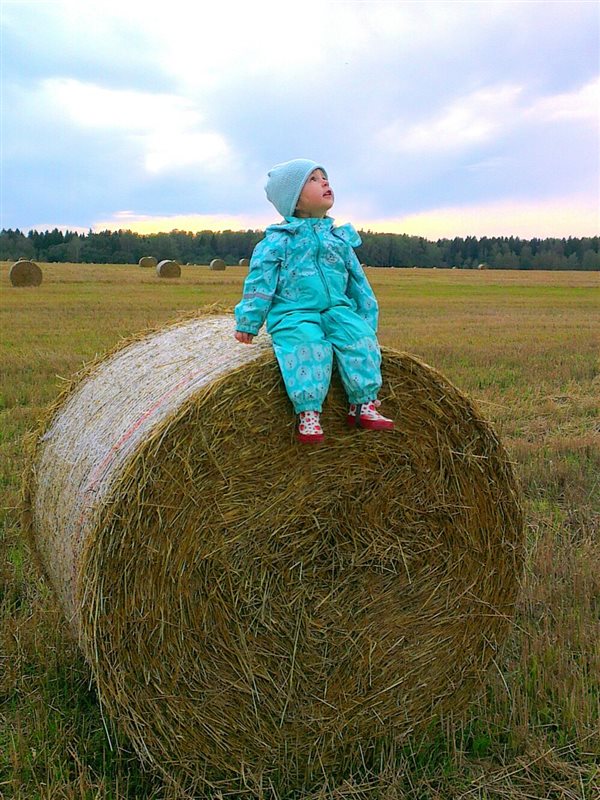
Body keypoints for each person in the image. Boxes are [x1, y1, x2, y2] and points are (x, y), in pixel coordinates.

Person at [234, 158, 394, 444]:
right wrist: (249, 321)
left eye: (324, 177)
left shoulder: (339, 240)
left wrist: (366, 321)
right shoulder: (277, 242)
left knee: (360, 341)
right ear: (295, 202)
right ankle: (309, 411)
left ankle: (363, 403)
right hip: (293, 312)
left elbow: (359, 283)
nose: (324, 182)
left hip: (336, 309)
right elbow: (260, 282)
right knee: (307, 346)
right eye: (313, 179)